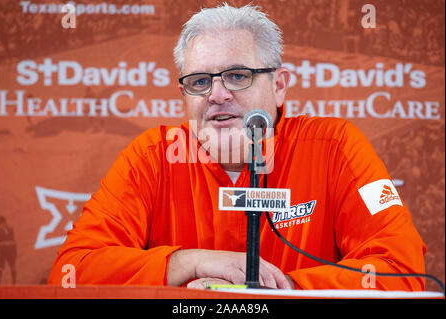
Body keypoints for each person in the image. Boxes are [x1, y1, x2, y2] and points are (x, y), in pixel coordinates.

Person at [48, 4, 426, 290]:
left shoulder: (336, 147)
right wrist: (189, 264)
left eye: (237, 75)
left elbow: (402, 269)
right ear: (184, 93)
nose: (217, 95)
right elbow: (71, 271)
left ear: (279, 86)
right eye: (199, 81)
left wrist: (283, 292)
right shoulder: (149, 157)